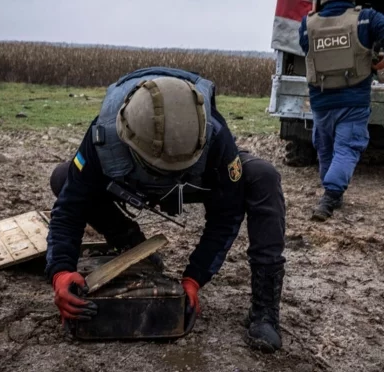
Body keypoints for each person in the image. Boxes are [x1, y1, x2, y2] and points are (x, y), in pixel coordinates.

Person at [45, 67, 287, 353]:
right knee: (64, 177)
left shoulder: (216, 135)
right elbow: (70, 207)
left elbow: (226, 216)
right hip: (130, 180)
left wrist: (195, 278)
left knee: (263, 176)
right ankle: (132, 246)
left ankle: (265, 310)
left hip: (194, 184)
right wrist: (60, 271)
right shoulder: (104, 133)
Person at [299, 0, 384, 221]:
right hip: (353, 100)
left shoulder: (307, 23)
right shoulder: (366, 17)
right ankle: (330, 197)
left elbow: (307, 49)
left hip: (321, 101)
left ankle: (333, 194)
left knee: (325, 148)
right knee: (346, 149)